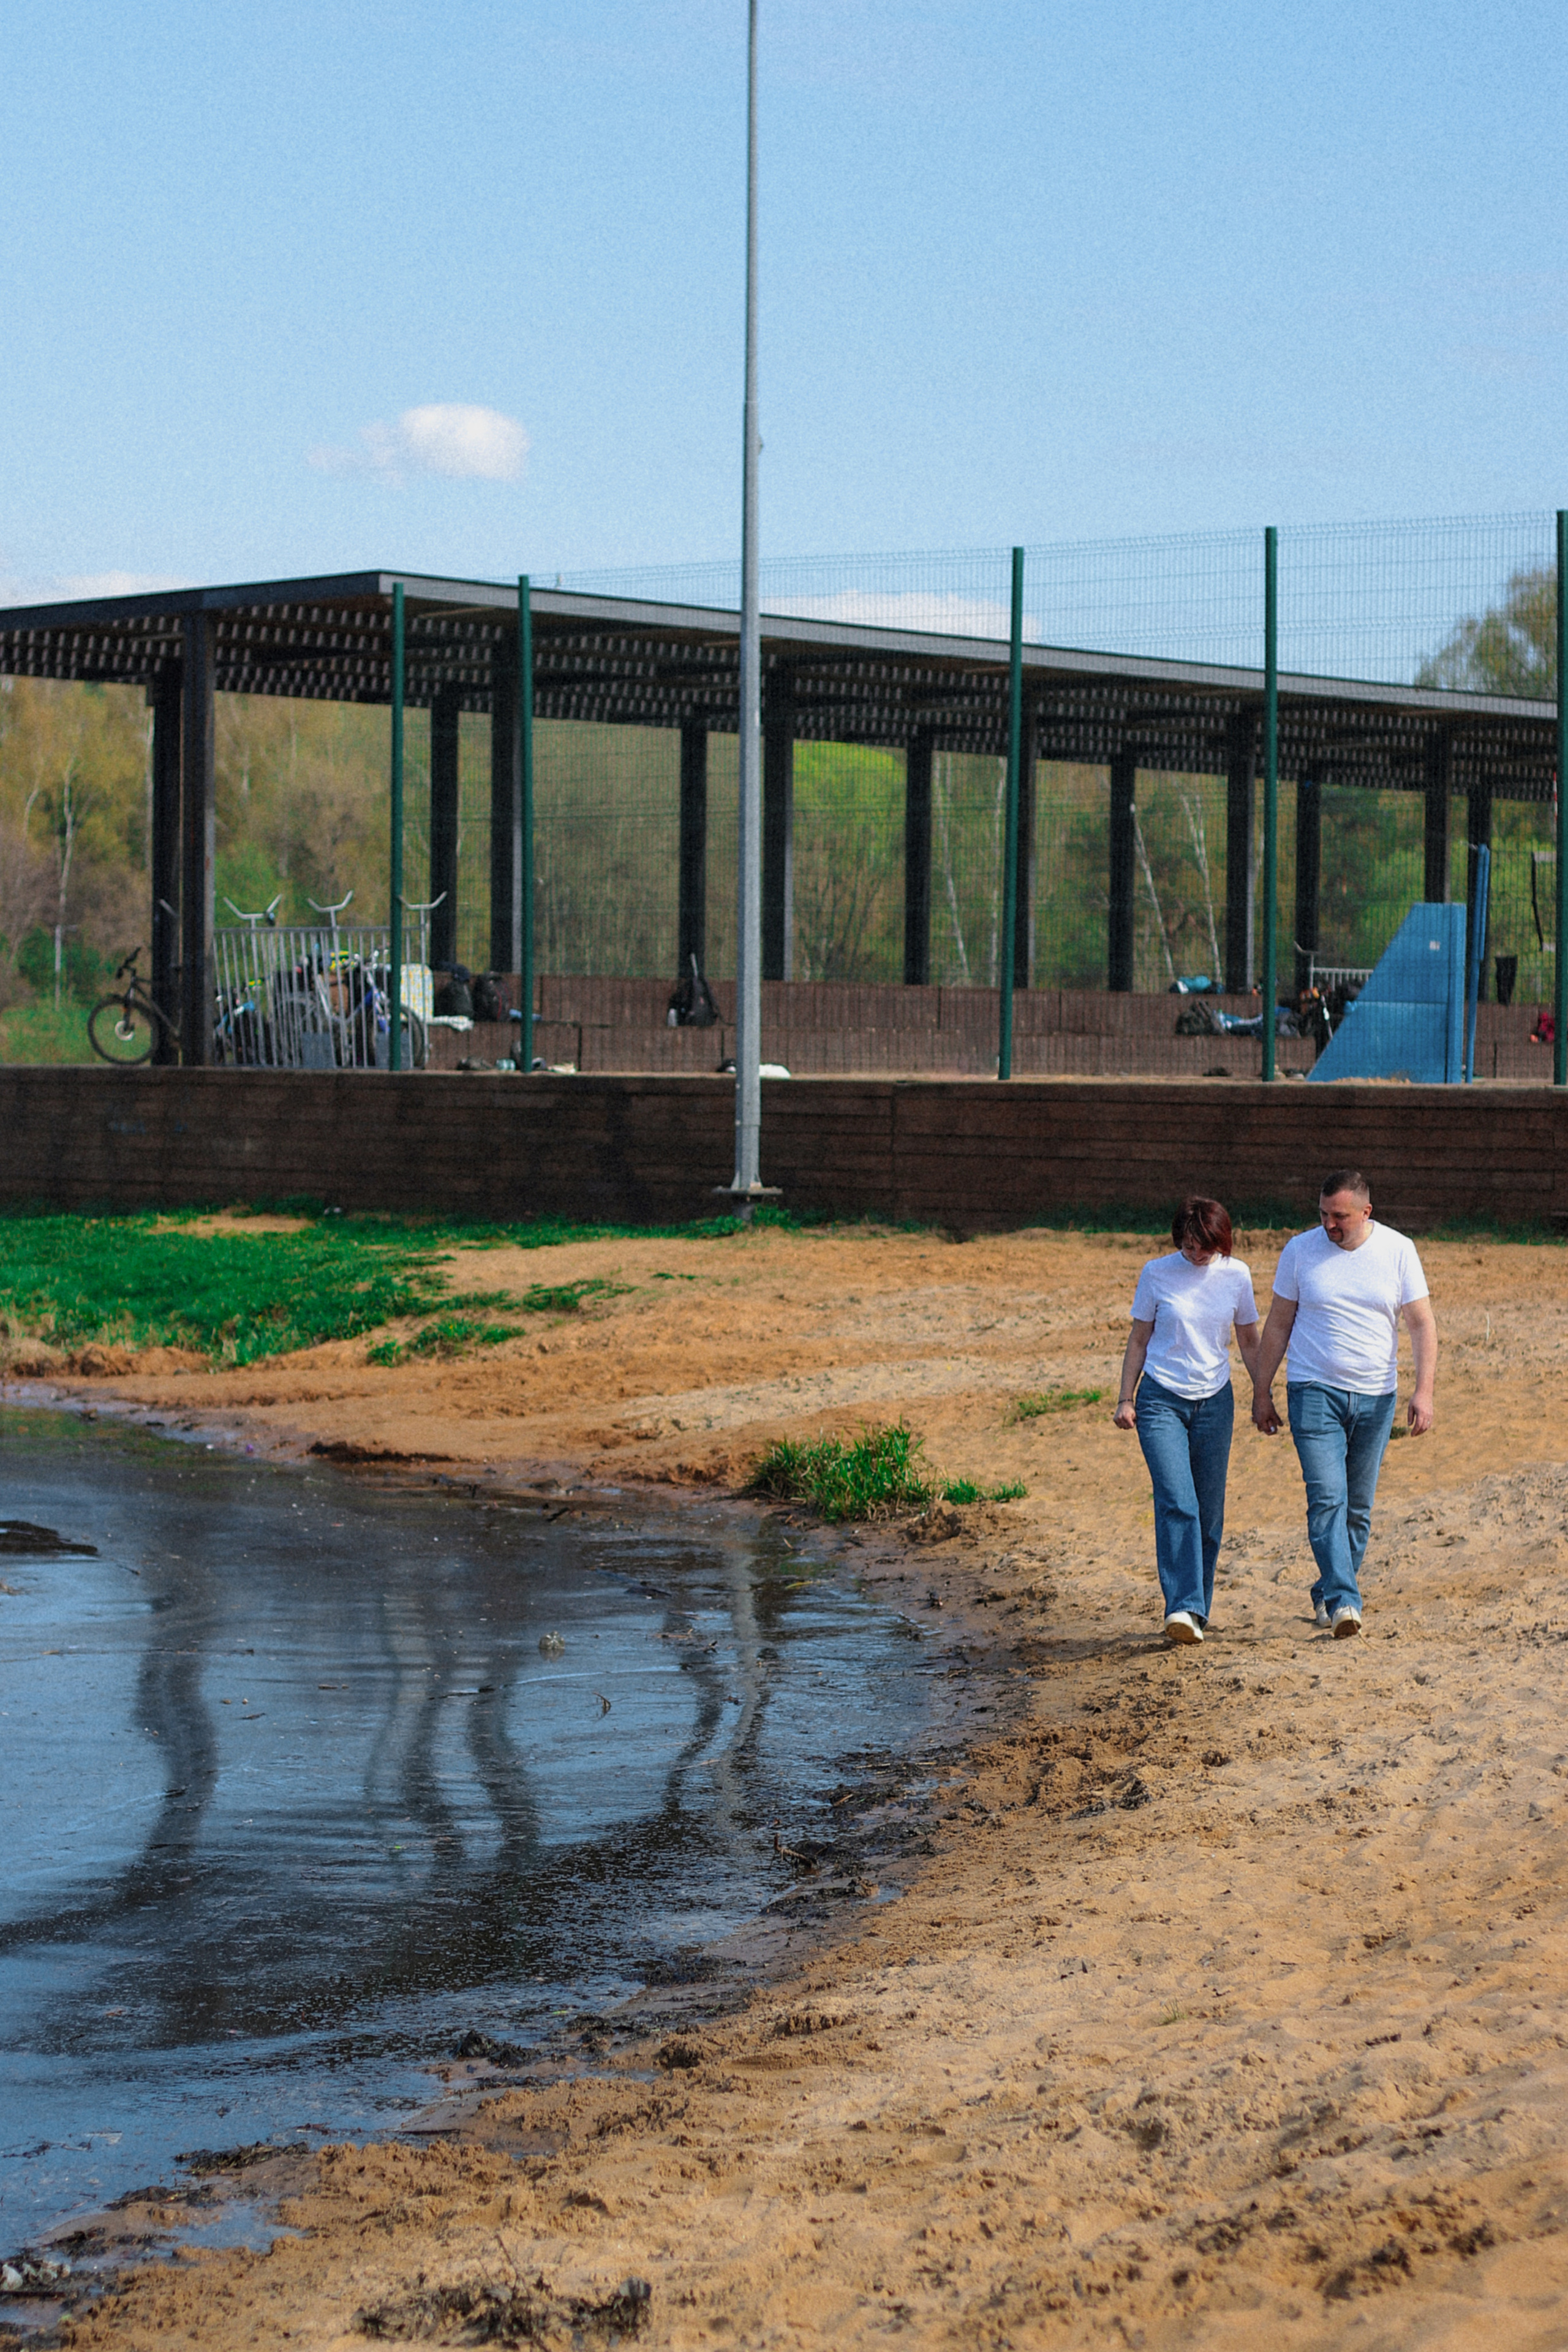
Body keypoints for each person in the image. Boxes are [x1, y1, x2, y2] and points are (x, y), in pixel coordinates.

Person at [1251, 1168, 1437, 1638]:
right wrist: (1261, 1389)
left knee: (1358, 1508)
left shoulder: (1398, 1250)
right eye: (1323, 1215)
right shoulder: (1299, 1250)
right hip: (1314, 1391)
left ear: (1366, 1212)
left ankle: (1329, 1589)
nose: (1330, 1225)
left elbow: (1420, 1324)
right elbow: (1277, 1324)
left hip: (1377, 1395)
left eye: (1340, 1217)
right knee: (1327, 1498)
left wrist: (1424, 1390)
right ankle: (1344, 1601)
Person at [1114, 1196, 1261, 1647]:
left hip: (1216, 1401)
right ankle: (1180, 1605)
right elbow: (1139, 1339)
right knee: (1178, 1500)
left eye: (1207, 1247)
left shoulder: (1236, 1275)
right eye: (1191, 1246)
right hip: (1161, 1400)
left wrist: (1265, 1395)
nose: (1198, 1256)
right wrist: (1125, 1398)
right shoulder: (1156, 1273)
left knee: (1209, 1514)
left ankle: (1196, 1611)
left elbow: (1249, 1342)